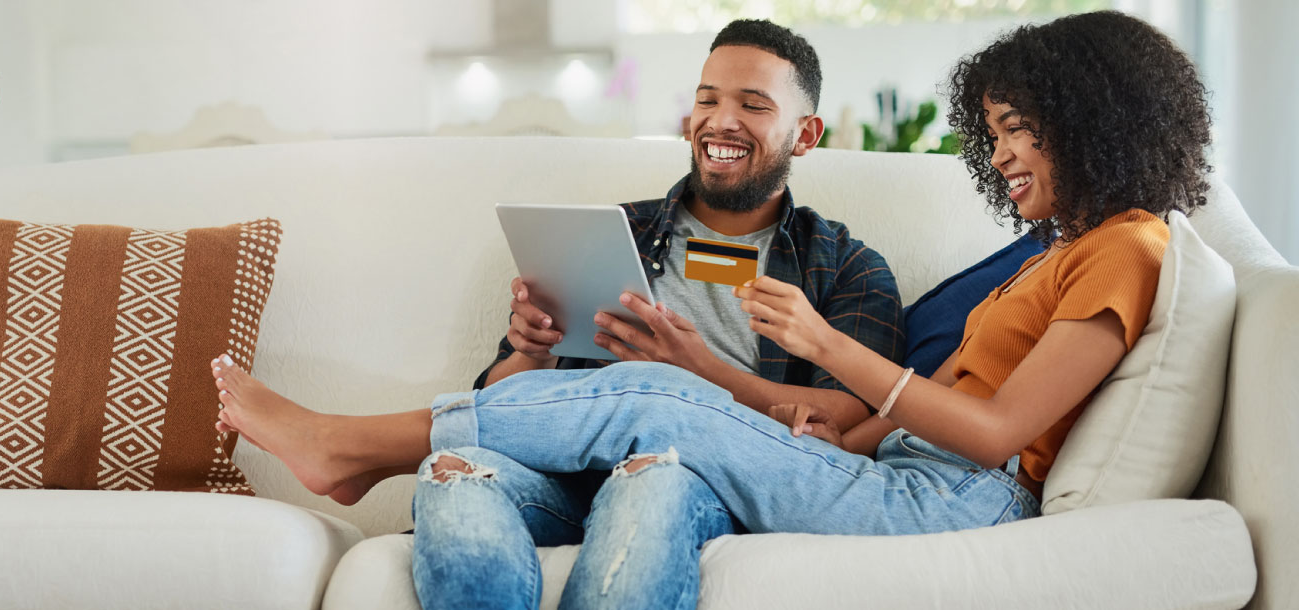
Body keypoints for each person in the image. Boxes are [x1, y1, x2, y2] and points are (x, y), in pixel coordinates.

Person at [214, 9, 1209, 609]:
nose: (998, 158)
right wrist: (527, 348)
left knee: (654, 399)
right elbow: (908, 415)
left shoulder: (1124, 245)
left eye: (1018, 130)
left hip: (928, 492)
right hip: (862, 465)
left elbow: (989, 430)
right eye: (993, 133)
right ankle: (370, 447)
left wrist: (808, 350)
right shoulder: (1063, 250)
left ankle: (346, 444)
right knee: (483, 462)